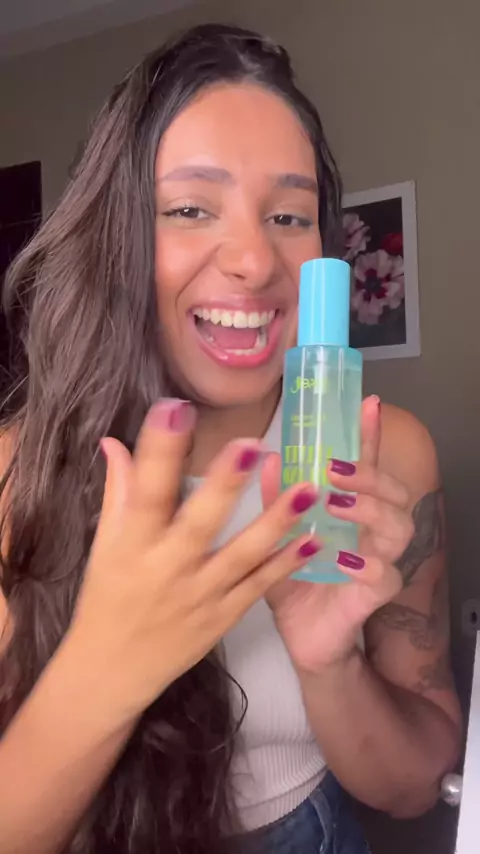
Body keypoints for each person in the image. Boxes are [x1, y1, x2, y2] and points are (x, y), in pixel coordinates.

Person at [0, 23, 461, 854]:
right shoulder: (14, 474)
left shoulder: (384, 457)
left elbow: (418, 788)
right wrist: (107, 668)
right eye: (189, 208)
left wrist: (330, 667)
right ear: (118, 238)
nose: (254, 259)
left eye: (289, 215)